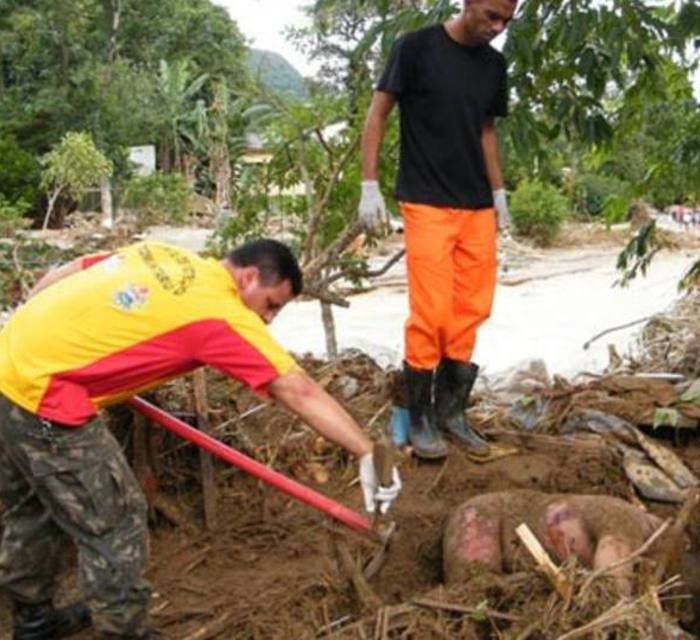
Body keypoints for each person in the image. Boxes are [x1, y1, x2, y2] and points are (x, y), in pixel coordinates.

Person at [0, 239, 402, 639]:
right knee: (116, 523)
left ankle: (33, 620)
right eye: (271, 305)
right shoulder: (218, 314)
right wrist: (367, 451)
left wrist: (27, 333)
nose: (267, 320)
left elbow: (66, 272)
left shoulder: (161, 253)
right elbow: (297, 390)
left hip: (8, 364)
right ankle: (124, 633)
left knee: (33, 505)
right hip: (46, 399)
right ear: (248, 277)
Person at [358, 0, 517, 460]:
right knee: (430, 311)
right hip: (426, 199)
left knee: (471, 307)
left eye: (506, 20)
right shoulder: (415, 48)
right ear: (467, 3)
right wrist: (370, 186)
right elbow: (378, 114)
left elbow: (486, 131)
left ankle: (453, 413)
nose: (497, 26)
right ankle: (422, 416)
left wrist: (499, 192)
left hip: (475, 205)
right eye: (491, 15)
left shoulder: (493, 65)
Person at [443, 490, 666, 594]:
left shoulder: (629, 519)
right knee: (473, 589)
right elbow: (609, 588)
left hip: (492, 520)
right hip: (483, 515)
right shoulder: (626, 522)